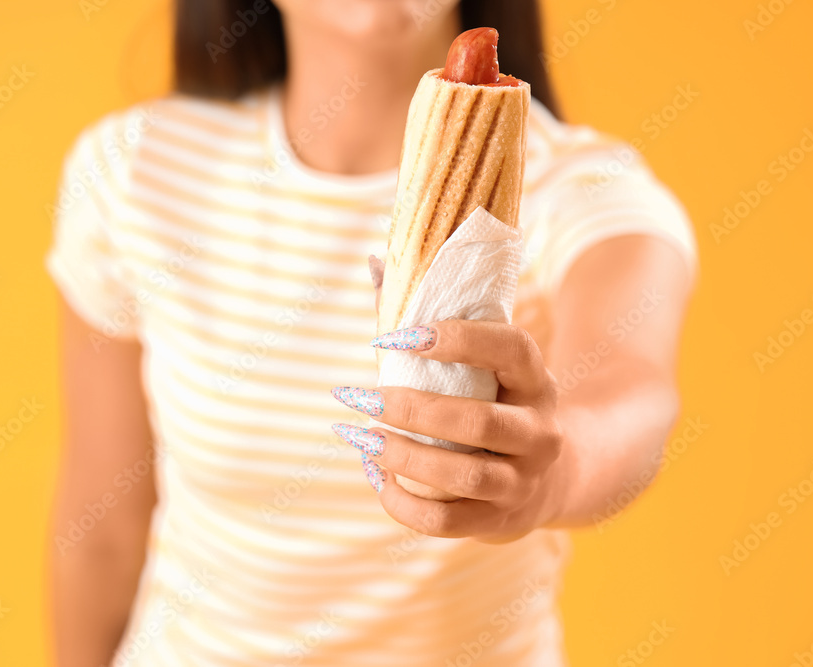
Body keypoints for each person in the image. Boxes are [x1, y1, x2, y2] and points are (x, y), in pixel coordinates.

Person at [46, 0, 697, 664]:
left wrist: (551, 473)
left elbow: (633, 394)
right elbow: (103, 529)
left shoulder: (585, 190)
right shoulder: (133, 172)